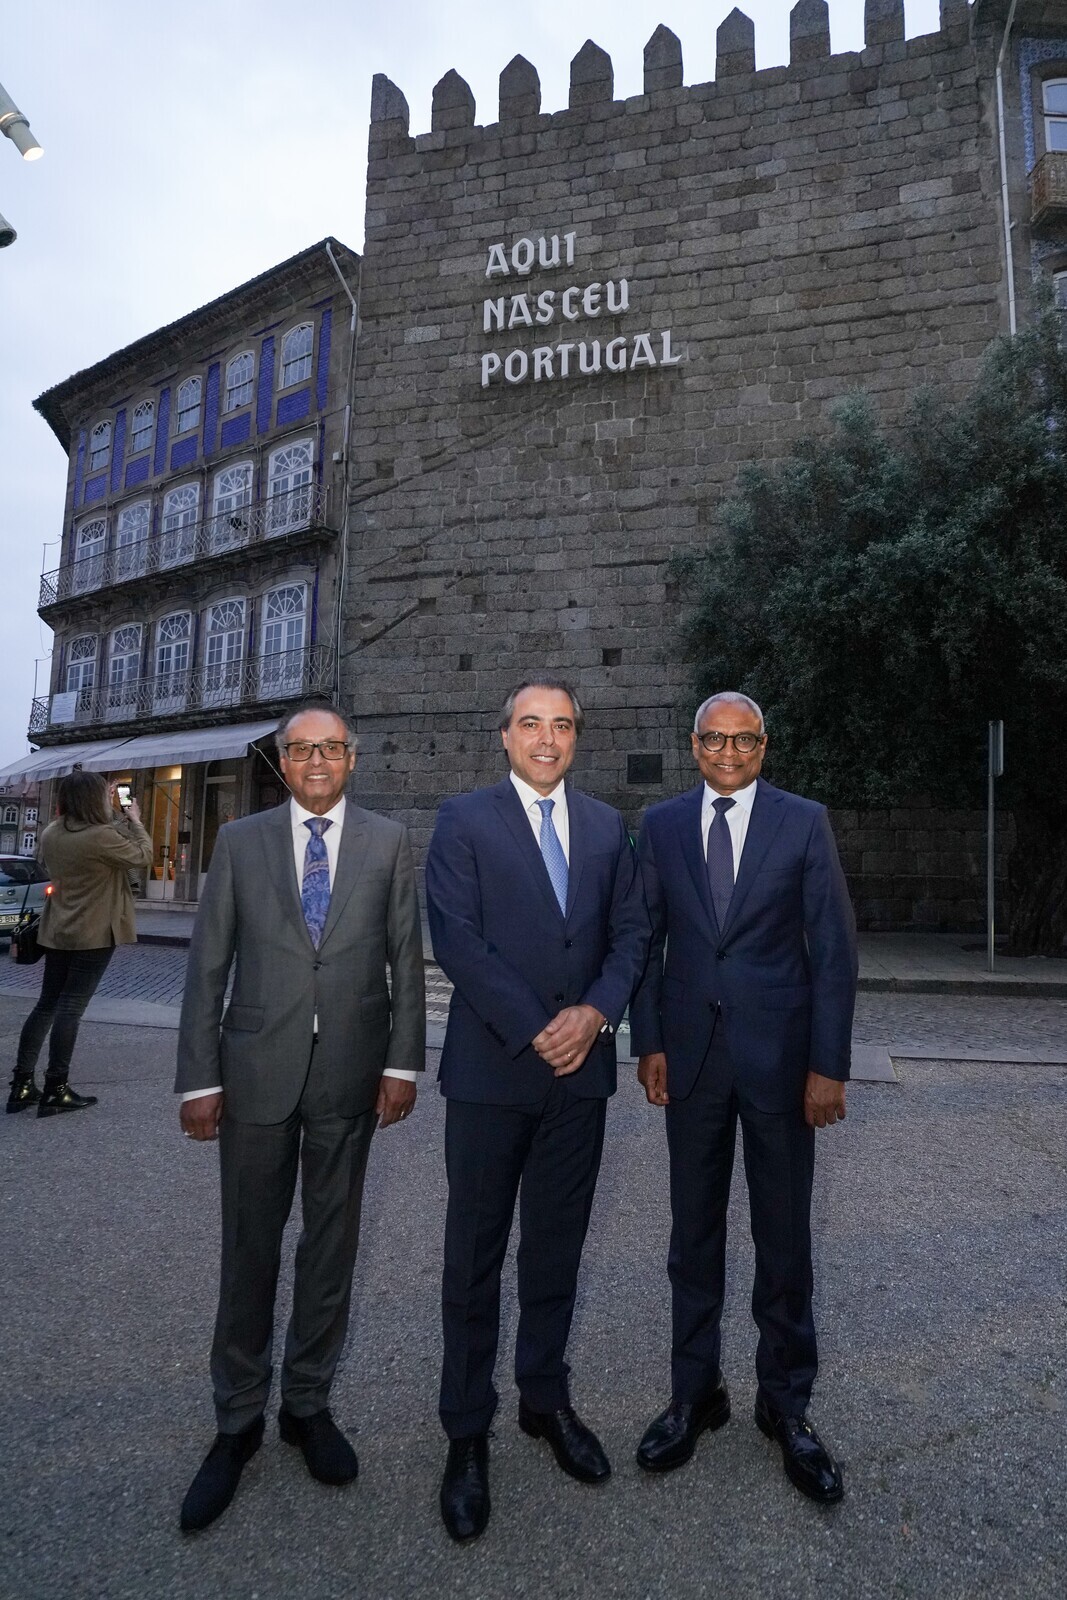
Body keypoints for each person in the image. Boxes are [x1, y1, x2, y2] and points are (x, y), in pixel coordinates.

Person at [175, 701, 425, 1533]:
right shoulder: (240, 842)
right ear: (281, 762)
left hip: (352, 1072)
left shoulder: (388, 842)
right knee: (249, 1245)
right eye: (301, 749)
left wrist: (400, 1064)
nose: (316, 761)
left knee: (330, 1246)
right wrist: (197, 1079)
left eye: (330, 748)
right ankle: (237, 1417)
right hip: (253, 1074)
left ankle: (307, 1404)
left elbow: (404, 959)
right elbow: (208, 967)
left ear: (352, 757)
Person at [425, 677, 649, 1542]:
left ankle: (543, 1400)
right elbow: (457, 939)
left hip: (579, 1079)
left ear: (576, 738)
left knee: (556, 1249)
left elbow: (631, 934)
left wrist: (595, 1015)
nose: (546, 739)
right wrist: (536, 1027)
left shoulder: (605, 827)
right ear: (504, 735)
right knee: (473, 1259)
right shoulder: (462, 820)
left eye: (561, 725)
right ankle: (465, 1430)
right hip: (492, 1074)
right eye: (530, 724)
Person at [630, 691, 857, 1504]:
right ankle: (695, 1395)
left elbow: (833, 949)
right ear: (693, 746)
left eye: (744, 739)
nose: (728, 752)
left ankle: (784, 1404)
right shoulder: (660, 826)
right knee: (691, 1239)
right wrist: (648, 1042)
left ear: (764, 746)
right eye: (714, 739)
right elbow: (644, 940)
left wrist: (827, 1065)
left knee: (783, 1239)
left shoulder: (803, 822)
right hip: (690, 1061)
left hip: (781, 1064)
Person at [7, 770, 152, 1117]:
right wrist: (134, 819)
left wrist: (111, 810)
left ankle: (21, 1084)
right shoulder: (100, 836)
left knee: (46, 1005)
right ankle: (56, 1087)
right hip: (95, 930)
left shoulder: (51, 832)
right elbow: (143, 856)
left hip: (57, 928)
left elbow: (98, 836)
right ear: (93, 800)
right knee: (71, 1008)